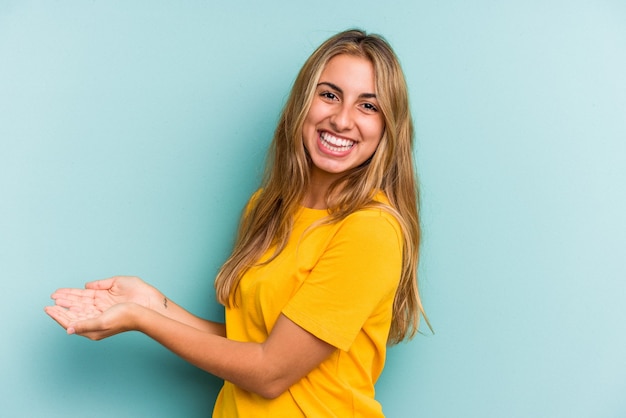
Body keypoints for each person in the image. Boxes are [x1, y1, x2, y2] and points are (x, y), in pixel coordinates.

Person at [45, 29, 430, 417]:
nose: (342, 120)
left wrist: (142, 320)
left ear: (387, 126)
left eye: (368, 106)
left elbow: (269, 371)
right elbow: (254, 344)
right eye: (329, 95)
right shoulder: (267, 208)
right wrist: (154, 304)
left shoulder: (370, 230)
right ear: (303, 103)